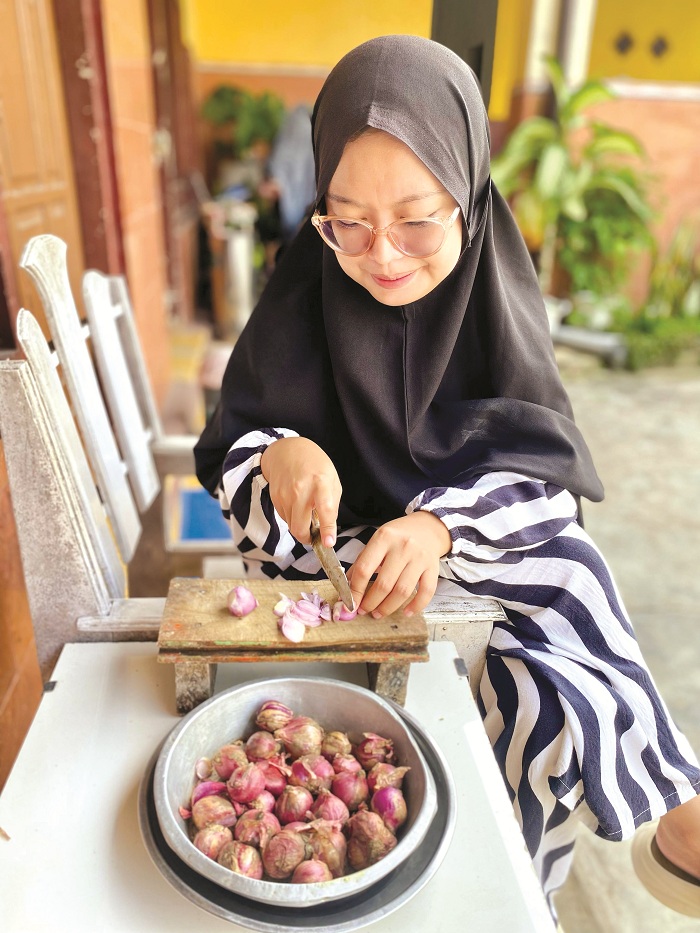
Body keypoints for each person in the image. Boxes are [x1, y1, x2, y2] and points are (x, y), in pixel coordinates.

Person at [195, 35, 700, 919]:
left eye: (419, 218)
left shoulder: (497, 292)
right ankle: (660, 796)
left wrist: (440, 526)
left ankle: (527, 876)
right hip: (337, 567)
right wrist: (280, 453)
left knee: (559, 608)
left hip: (477, 549)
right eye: (344, 219)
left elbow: (540, 463)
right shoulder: (306, 286)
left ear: (467, 191)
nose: (382, 253)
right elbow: (233, 441)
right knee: (541, 674)